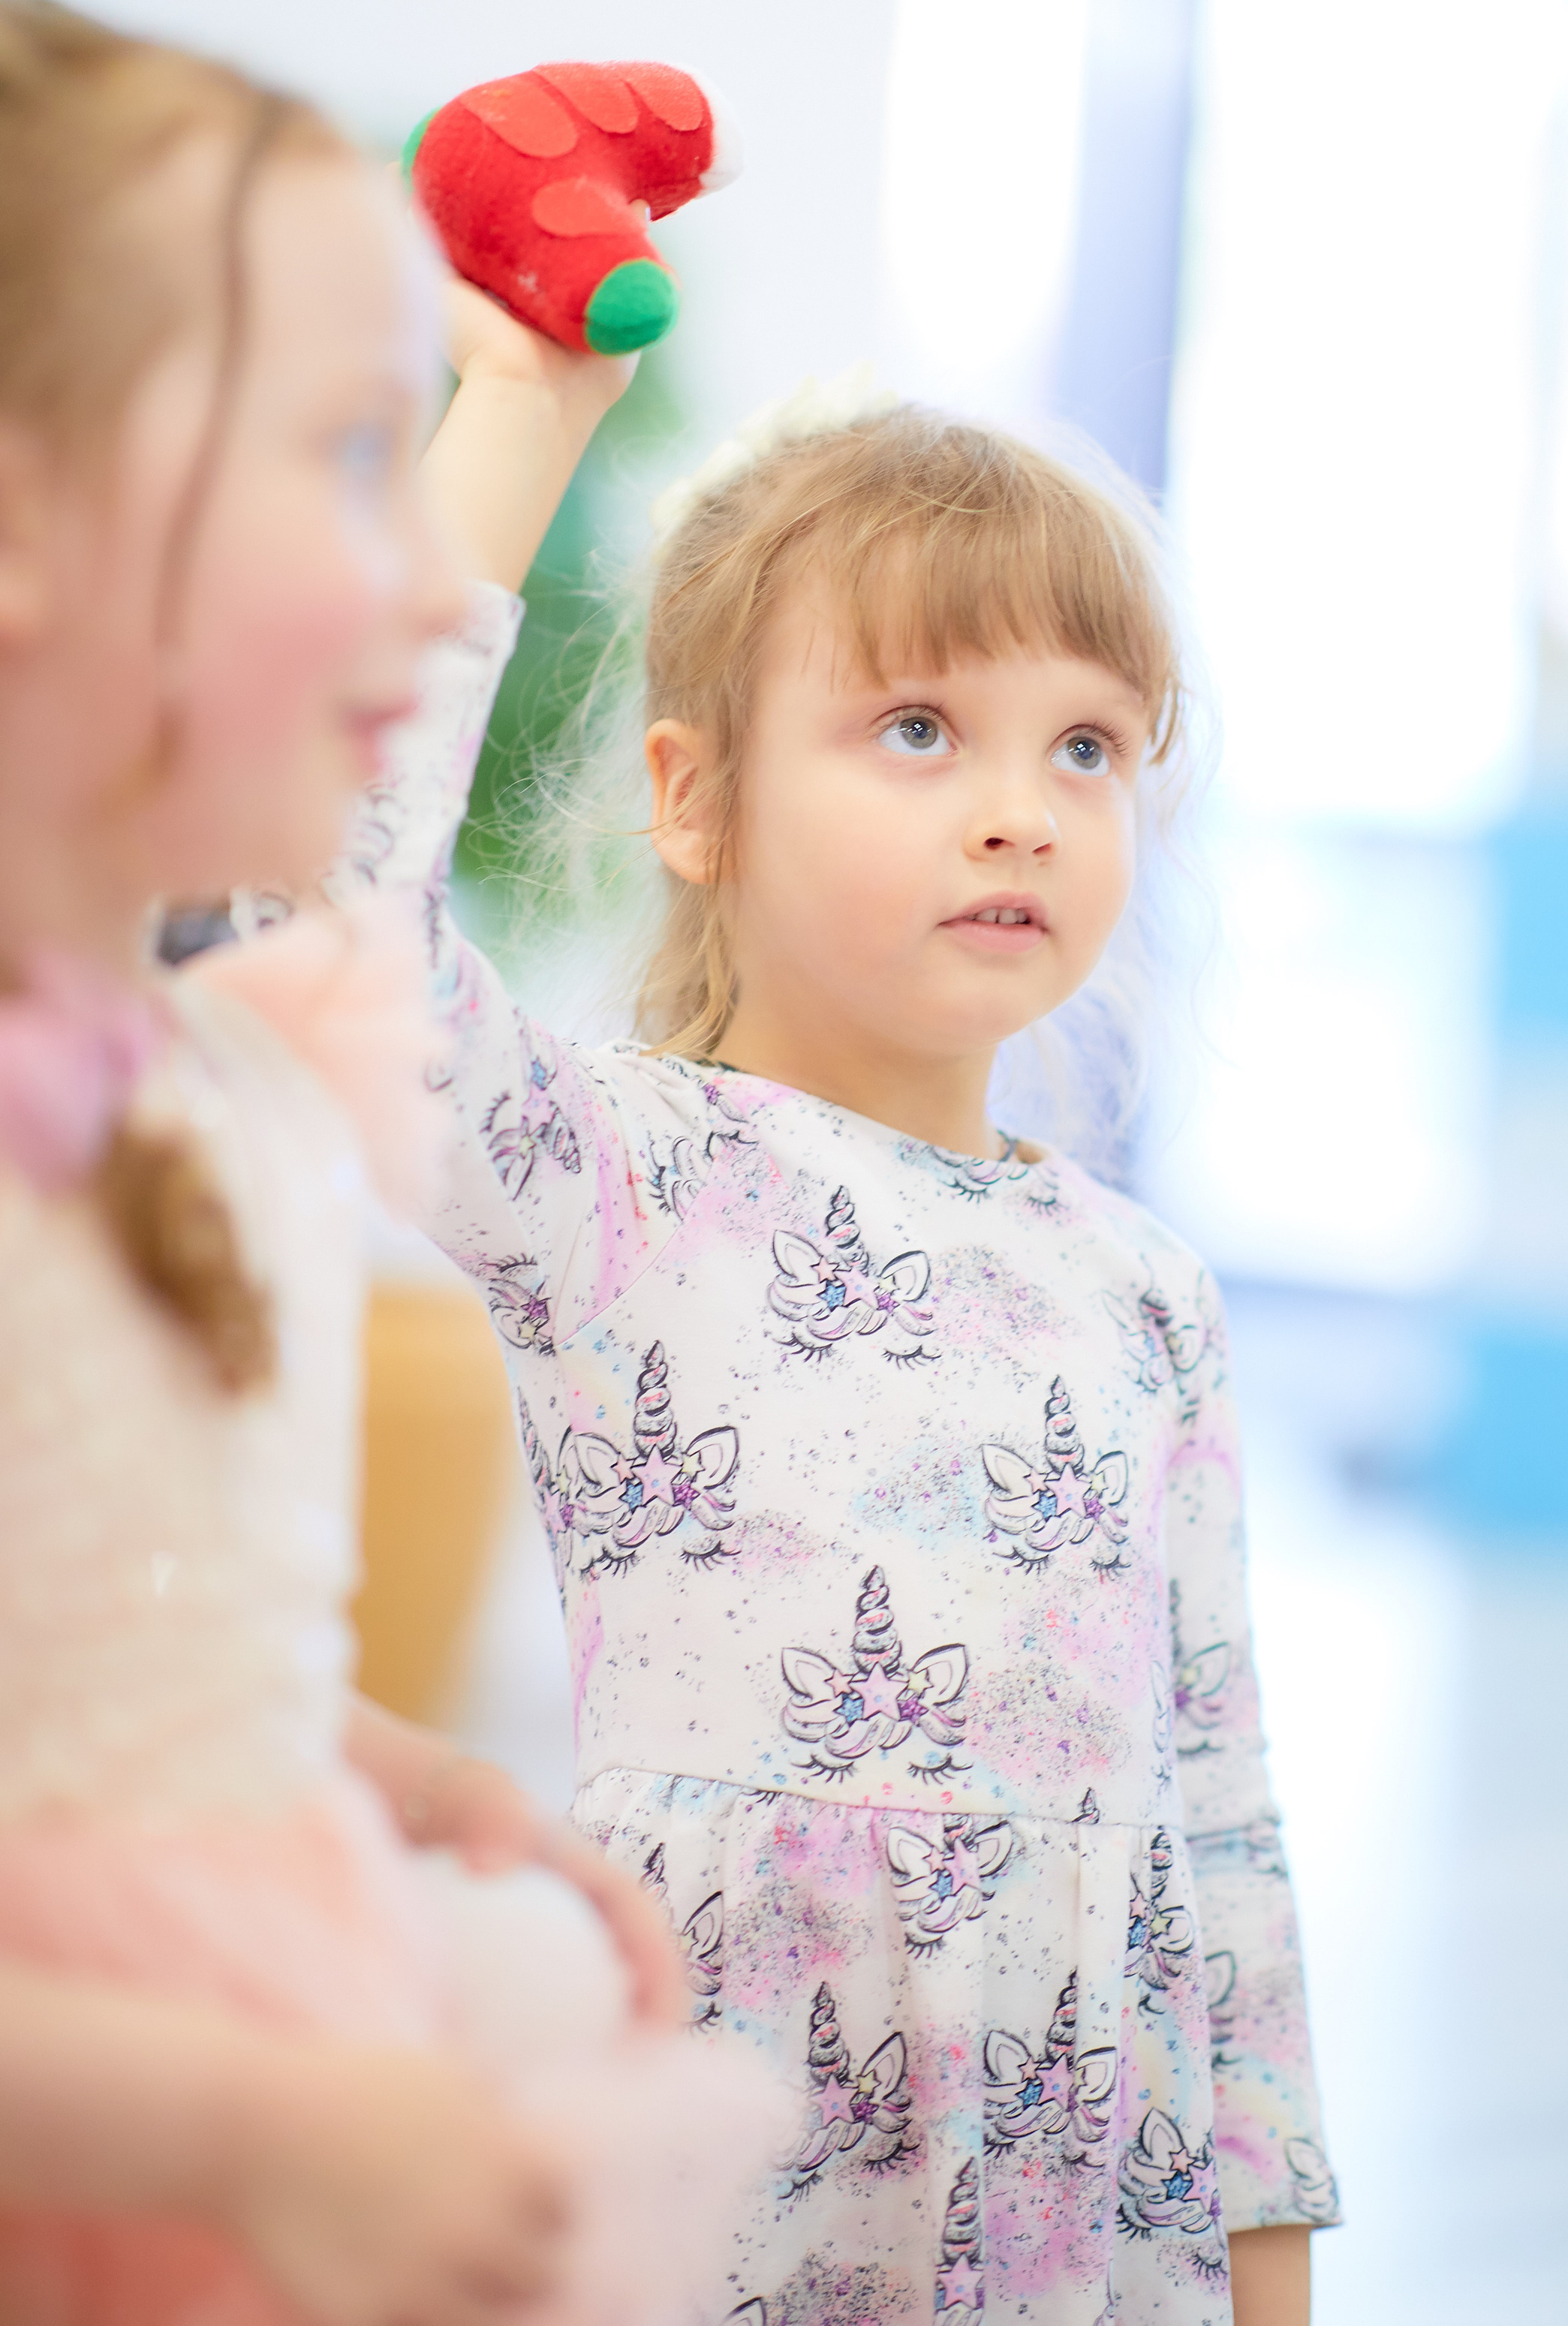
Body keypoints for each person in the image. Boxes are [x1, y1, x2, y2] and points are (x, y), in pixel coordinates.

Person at [347, 227, 1342, 2321]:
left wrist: (1269, 2271)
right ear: (694, 803)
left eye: (1087, 747)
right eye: (918, 728)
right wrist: (522, 414)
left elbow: (1227, 1826)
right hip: (737, 2151)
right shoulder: (619, 1178)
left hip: (1083, 2202)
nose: (1023, 813)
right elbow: (333, 919)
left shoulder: (1148, 1292)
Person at [0, 8, 777, 2321]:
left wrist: (353, 1770)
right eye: (352, 456)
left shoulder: (207, 1080)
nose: (438, 592)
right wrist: (250, 2129)